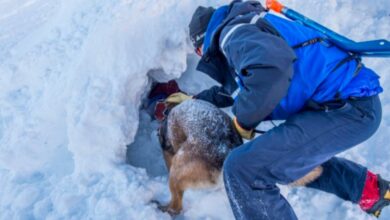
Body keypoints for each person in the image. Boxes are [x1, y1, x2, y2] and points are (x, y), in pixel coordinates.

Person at [165, 0, 390, 219]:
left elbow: (271, 72)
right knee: (277, 157)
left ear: (202, 42)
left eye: (198, 51)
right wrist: (196, 98)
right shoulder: (246, 30)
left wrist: (243, 121)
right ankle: (370, 190)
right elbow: (240, 88)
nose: (201, 56)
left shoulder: (233, 34)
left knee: (245, 169)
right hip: (344, 105)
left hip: (349, 107)